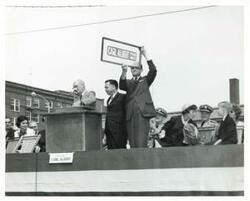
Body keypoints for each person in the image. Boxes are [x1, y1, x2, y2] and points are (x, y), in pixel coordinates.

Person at [119, 46, 157, 148]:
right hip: (130, 114)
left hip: (142, 114)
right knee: (132, 141)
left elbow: (153, 70)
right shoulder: (129, 82)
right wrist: (124, 72)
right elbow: (122, 86)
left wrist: (145, 54)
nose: (134, 69)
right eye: (132, 68)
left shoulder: (145, 80)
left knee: (141, 141)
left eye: (136, 67)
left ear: (141, 69)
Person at [104, 79, 127, 149]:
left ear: (114, 87)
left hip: (119, 132)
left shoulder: (123, 97)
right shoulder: (108, 100)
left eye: (106, 87)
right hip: (109, 131)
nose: (105, 89)